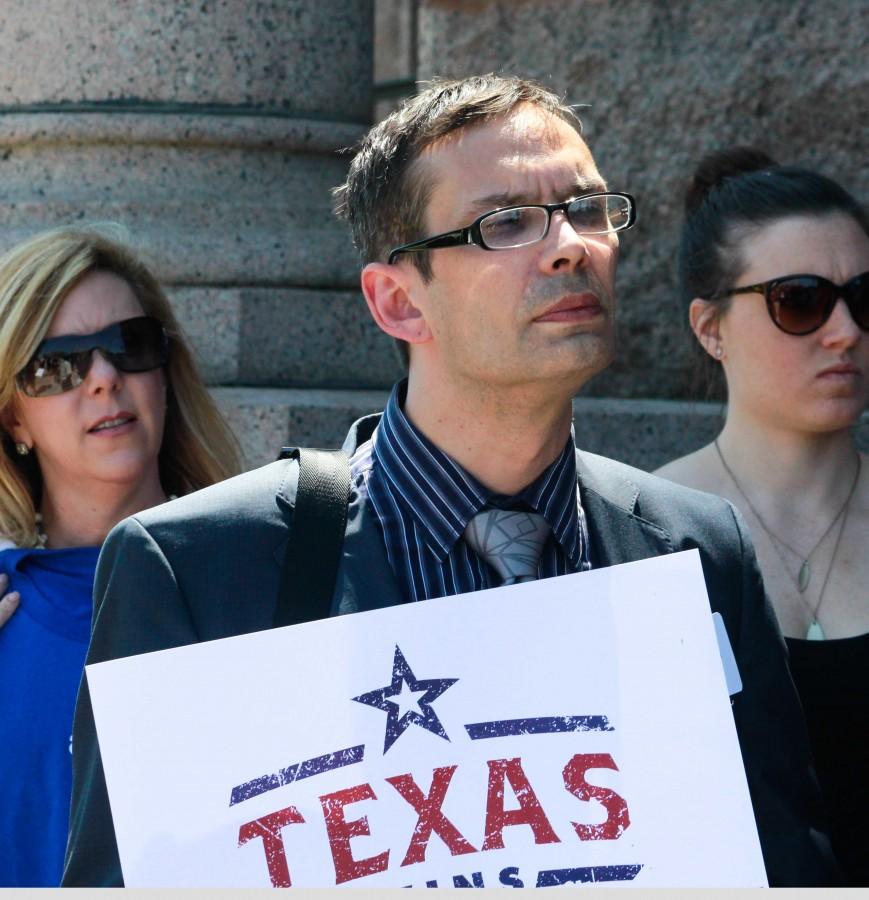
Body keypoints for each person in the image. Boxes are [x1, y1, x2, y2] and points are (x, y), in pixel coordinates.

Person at [64, 77, 837, 887]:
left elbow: (780, 868)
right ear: (397, 302)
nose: (570, 244)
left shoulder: (694, 549)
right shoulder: (195, 569)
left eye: (585, 208)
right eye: (505, 223)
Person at [0, 225, 241, 886]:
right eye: (57, 366)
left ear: (165, 374)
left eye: (129, 346)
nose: (104, 378)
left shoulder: (268, 572)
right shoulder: (8, 619)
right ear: (14, 419)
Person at [655, 147, 869, 885]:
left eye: (863, 298)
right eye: (799, 300)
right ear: (709, 328)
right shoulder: (638, 541)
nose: (844, 331)